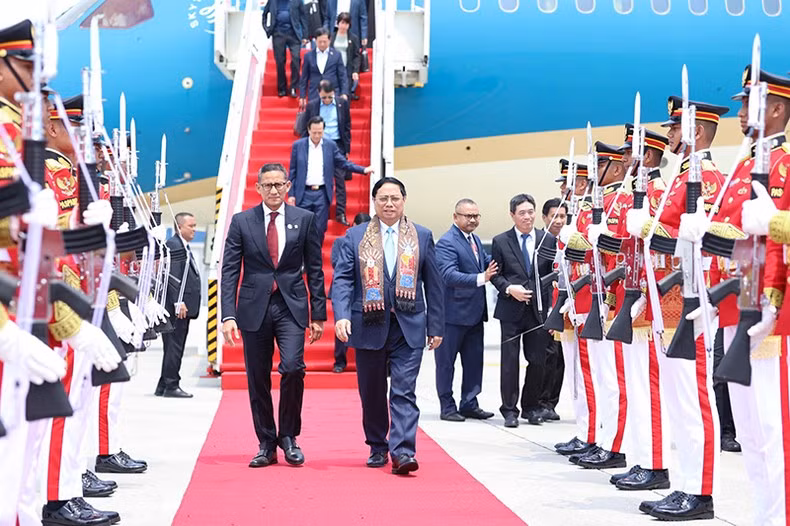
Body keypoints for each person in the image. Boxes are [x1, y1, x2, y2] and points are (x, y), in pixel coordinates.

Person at [626, 96, 729, 520]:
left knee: (694, 399)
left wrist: (650, 225)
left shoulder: (706, 177)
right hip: (665, 300)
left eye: (674, 128)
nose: (667, 134)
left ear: (697, 132)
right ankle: (684, 484)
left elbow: (709, 240)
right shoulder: (678, 177)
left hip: (692, 300)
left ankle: (700, 492)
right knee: (677, 399)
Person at [332, 177, 443, 475]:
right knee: (371, 391)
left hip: (409, 325)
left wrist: (436, 326)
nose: (389, 204)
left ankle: (403, 452)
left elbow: (433, 284)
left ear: (404, 200)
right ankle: (377, 445)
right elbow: (342, 279)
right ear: (374, 202)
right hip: (369, 323)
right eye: (383, 199)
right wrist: (341, 314)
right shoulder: (355, 237)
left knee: (404, 391)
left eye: (395, 198)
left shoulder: (421, 235)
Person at [221, 163, 326, 468]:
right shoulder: (242, 222)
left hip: (291, 306)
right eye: (268, 185)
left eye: (279, 184)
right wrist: (228, 314)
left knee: (293, 368)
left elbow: (316, 269)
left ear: (288, 186)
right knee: (258, 378)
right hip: (254, 307)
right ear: (258, 188)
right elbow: (230, 271)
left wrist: (317, 313)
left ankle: (289, 436)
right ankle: (266, 443)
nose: (274, 190)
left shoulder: (304, 219)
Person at [490, 194, 556, 427]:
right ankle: (509, 410)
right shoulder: (501, 241)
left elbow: (553, 275)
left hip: (538, 311)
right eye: (522, 213)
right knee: (509, 362)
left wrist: (550, 307)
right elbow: (495, 275)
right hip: (511, 310)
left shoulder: (547, 240)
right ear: (512, 216)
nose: (527, 217)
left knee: (538, 360)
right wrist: (509, 289)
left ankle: (531, 406)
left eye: (530, 212)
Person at [434, 199, 497, 422]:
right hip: (451, 316)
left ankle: (469, 403)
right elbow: (448, 275)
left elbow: (487, 263)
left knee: (473, 362)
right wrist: (482, 278)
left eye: (475, 216)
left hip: (474, 315)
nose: (472, 220)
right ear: (455, 217)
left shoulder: (475, 240)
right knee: (446, 364)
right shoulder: (446, 243)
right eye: (467, 216)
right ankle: (447, 406)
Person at [288, 116, 373, 242]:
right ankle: (303, 259)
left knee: (320, 228)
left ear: (324, 130)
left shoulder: (330, 145)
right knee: (302, 228)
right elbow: (293, 171)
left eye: (320, 132)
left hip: (322, 194)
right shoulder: (298, 146)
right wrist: (291, 194)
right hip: (303, 193)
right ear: (308, 130)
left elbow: (343, 163)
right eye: (314, 132)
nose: (317, 135)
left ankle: (315, 258)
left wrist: (363, 170)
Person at [155, 212, 201, 398]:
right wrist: (178, 301)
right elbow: (173, 276)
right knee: (175, 346)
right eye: (191, 226)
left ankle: (163, 384)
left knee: (173, 347)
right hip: (177, 309)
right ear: (179, 227)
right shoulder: (174, 245)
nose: (194, 229)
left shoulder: (182, 245)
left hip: (182, 306)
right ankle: (172, 385)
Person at [302, 80, 353, 226]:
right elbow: (306, 128)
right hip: (318, 144)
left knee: (340, 180)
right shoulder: (312, 105)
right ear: (319, 94)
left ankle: (340, 212)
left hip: (337, 145)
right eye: (324, 97)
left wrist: (347, 149)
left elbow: (347, 127)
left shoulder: (342, 104)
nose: (327, 100)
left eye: (330, 97)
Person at [537, 198, 566, 421]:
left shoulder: (571, 239)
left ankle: (551, 403)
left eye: (562, 216)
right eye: (554, 216)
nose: (558, 221)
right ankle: (542, 401)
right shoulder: (542, 242)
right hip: (546, 308)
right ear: (545, 218)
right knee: (547, 356)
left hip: (566, 307)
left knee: (561, 359)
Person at [330, 212, 370, 373]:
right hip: (347, 290)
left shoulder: (374, 242)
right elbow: (336, 263)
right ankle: (339, 361)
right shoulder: (340, 242)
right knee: (342, 325)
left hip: (368, 290)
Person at [262, 0, 306, 98]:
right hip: (278, 34)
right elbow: (264, 14)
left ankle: (294, 87)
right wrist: (267, 29)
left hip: (294, 34)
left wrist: (305, 35)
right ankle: (282, 88)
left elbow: (303, 17)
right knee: (280, 62)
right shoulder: (272, 1)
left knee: (296, 59)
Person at [299, 27, 348, 107]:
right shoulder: (308, 56)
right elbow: (304, 78)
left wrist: (344, 92)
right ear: (315, 40)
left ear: (329, 40)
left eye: (324, 42)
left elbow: (342, 75)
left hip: (333, 93)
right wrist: (302, 96)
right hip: (314, 94)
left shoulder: (336, 55)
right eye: (319, 42)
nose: (322, 44)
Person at [330, 12, 361, 101]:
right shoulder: (331, 36)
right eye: (342, 23)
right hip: (333, 70)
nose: (344, 26)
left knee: (345, 97)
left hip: (346, 70)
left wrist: (355, 71)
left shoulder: (353, 38)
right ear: (338, 23)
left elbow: (356, 56)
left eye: (346, 23)